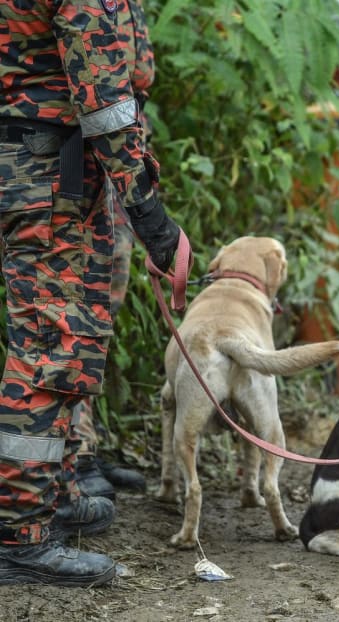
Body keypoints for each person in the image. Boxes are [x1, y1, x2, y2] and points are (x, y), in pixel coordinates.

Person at [0, 0, 181, 586]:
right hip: (46, 169)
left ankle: (51, 495)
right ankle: (19, 535)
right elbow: (103, 99)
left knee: (63, 336)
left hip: (41, 163)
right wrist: (152, 218)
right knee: (52, 344)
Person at [71, 0, 153, 502]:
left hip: (114, 158)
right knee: (71, 309)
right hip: (73, 155)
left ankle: (86, 443)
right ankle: (70, 455)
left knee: (104, 305)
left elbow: (134, 73)